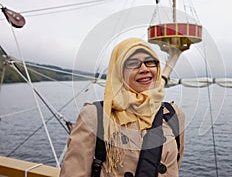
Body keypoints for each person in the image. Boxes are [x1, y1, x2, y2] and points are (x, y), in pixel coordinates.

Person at [60, 37, 185, 177]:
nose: (144, 69)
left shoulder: (173, 114)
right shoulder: (95, 116)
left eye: (150, 62)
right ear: (119, 71)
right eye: (133, 63)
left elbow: (173, 166)